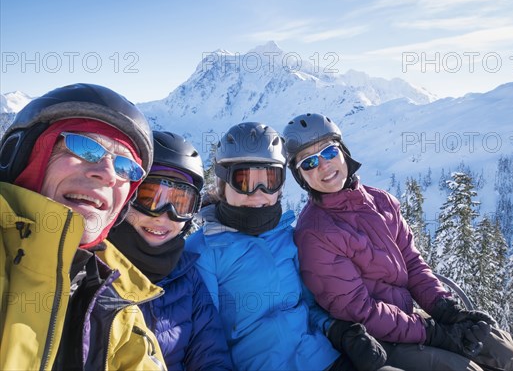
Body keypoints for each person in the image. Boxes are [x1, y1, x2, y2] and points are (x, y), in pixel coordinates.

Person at [282, 113, 513, 371]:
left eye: (329, 152)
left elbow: (413, 264)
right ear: (300, 177)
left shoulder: (381, 202)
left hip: (408, 320)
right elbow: (361, 312)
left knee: (502, 351)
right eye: (309, 163)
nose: (324, 166)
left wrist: (448, 311)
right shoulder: (315, 233)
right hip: (375, 339)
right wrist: (435, 333)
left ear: (343, 152)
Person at [185, 122, 404, 371]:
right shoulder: (203, 251)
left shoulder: (286, 236)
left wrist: (336, 330)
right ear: (223, 184)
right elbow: (205, 340)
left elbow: (310, 306)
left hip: (323, 358)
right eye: (244, 180)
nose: (258, 193)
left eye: (269, 180)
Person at [0, 83, 167, 370]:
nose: (107, 174)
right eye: (84, 147)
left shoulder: (120, 309)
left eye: (126, 167)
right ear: (24, 156)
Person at [108, 130, 233, 371]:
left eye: (181, 203)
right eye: (150, 196)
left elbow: (211, 357)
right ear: (126, 197)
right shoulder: (91, 270)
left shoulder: (187, 277)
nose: (165, 215)